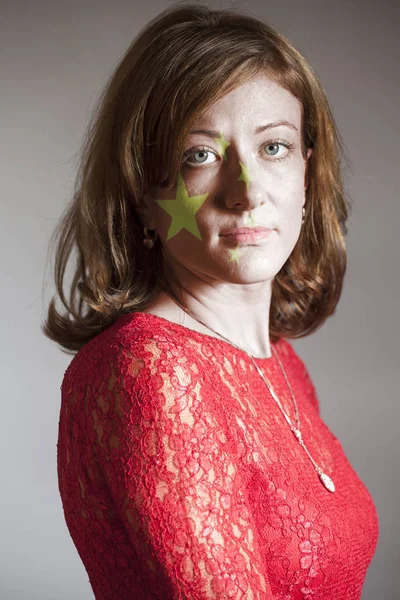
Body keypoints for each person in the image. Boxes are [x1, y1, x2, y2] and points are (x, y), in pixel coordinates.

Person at [44, 3, 379, 599]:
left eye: (273, 148)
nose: (246, 194)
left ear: (308, 171)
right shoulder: (152, 371)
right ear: (145, 194)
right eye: (200, 154)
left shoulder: (280, 362)